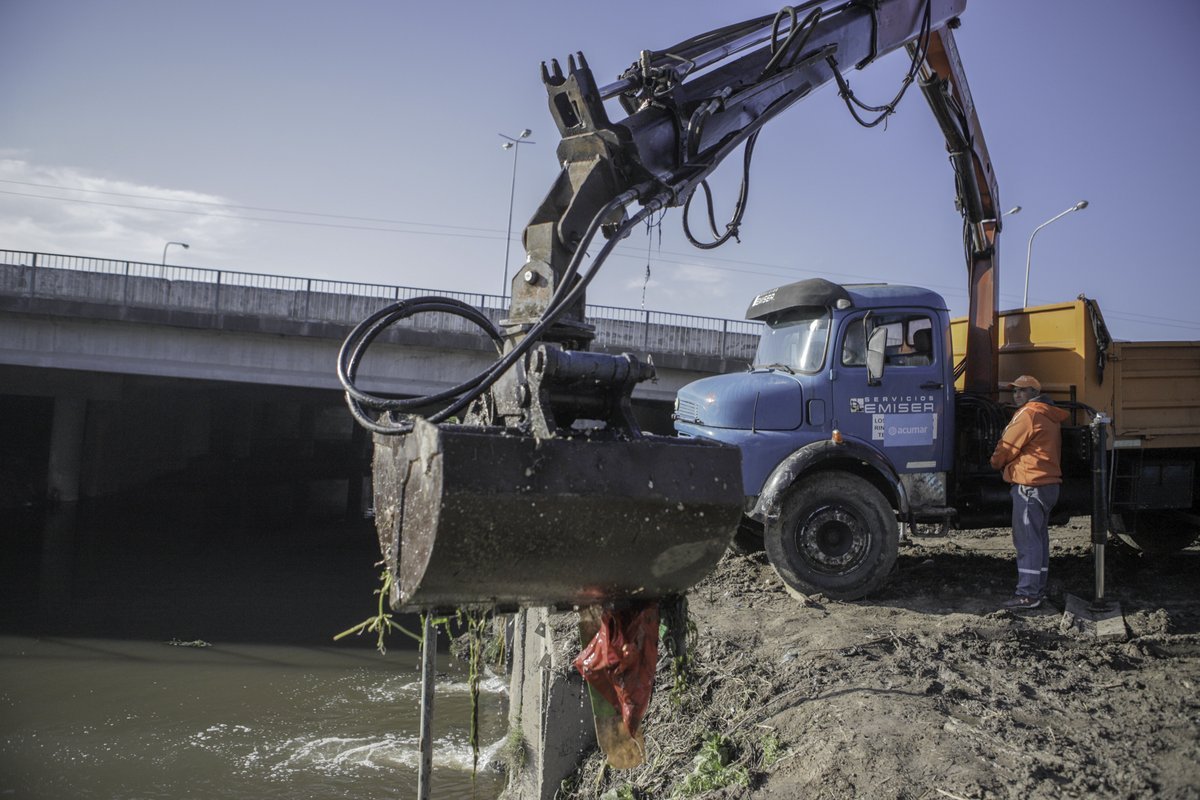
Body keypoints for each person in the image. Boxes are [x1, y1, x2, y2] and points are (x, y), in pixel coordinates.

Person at [989, 375, 1069, 609]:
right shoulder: (1049, 414)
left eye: (1022, 391)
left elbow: (1007, 446)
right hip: (1047, 485)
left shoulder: (1028, 414)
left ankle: (1028, 594)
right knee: (1039, 539)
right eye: (1014, 391)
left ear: (1034, 392)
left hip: (1029, 486)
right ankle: (1037, 588)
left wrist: (995, 463)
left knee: (1027, 540)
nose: (1016, 396)